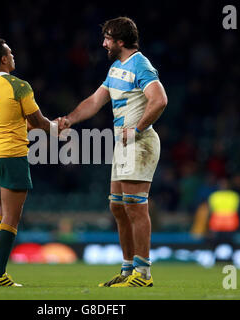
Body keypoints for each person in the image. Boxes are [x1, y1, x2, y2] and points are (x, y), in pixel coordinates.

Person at [59, 17, 167, 287]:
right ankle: (128, 268)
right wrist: (71, 119)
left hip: (139, 143)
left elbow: (160, 99)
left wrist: (138, 129)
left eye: (107, 38)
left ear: (120, 41)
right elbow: (96, 100)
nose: (103, 43)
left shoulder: (140, 64)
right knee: (117, 207)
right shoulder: (116, 68)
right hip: (123, 144)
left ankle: (143, 273)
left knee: (134, 207)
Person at [0, 38, 58, 286]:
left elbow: (12, 120)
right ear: (2, 58)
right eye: (10, 53)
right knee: (11, 216)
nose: (13, 56)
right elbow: (39, 122)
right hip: (11, 154)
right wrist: (57, 128)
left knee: (3, 213)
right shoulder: (19, 86)